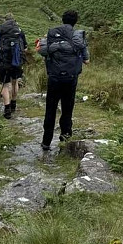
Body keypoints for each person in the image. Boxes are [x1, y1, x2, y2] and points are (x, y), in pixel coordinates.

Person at [38, 10, 90, 151]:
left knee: (50, 109)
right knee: (67, 108)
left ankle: (46, 142)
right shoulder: (78, 36)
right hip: (71, 79)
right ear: (75, 21)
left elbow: (43, 51)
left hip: (54, 78)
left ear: (62, 19)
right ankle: (65, 138)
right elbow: (87, 60)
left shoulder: (52, 34)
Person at [0, 15, 27, 119]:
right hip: (17, 62)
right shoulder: (20, 32)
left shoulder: (1, 31)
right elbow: (25, 48)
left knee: (5, 85)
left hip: (4, 62)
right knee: (15, 82)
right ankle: (14, 104)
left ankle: (7, 109)